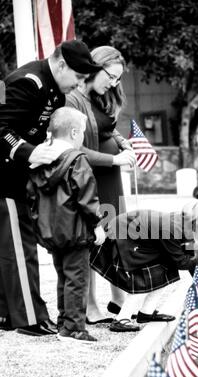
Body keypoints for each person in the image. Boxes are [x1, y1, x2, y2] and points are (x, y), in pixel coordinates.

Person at [0, 39, 104, 336]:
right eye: (79, 76)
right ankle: (30, 318)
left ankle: (7, 314)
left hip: (20, 178)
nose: (80, 83)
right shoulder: (26, 81)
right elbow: (1, 127)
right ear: (60, 65)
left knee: (12, 249)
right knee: (20, 251)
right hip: (5, 177)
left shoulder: (56, 91)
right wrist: (26, 151)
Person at [66, 46, 136, 324]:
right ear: (96, 67)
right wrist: (115, 159)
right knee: (93, 240)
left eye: (119, 79)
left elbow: (107, 126)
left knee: (116, 235)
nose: (114, 83)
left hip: (110, 177)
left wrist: (121, 141)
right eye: (111, 76)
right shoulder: (73, 99)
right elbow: (76, 147)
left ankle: (118, 299)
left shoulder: (102, 95)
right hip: (90, 177)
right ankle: (90, 306)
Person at [27, 107, 105, 343]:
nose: (82, 137)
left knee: (64, 276)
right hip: (76, 230)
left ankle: (64, 322)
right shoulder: (76, 159)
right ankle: (74, 329)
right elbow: (87, 197)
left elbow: (31, 195)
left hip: (52, 230)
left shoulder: (39, 159)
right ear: (73, 132)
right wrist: (97, 225)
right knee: (78, 278)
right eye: (81, 132)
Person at [90, 198, 198, 332]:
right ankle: (121, 319)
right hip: (120, 237)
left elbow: (193, 265)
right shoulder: (174, 228)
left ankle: (146, 312)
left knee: (166, 268)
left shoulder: (188, 227)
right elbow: (182, 262)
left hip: (138, 241)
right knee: (145, 278)